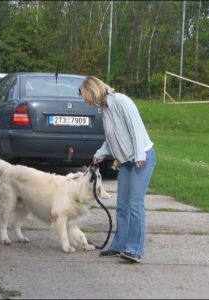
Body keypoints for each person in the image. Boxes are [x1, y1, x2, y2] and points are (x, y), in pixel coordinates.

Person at [79, 76, 156, 263]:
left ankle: (134, 250)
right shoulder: (105, 109)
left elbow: (136, 128)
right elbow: (112, 137)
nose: (87, 102)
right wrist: (100, 153)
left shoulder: (121, 101)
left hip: (141, 158)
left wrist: (139, 155)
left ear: (93, 91)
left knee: (135, 204)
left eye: (86, 97)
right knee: (123, 205)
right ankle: (119, 245)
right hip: (127, 161)